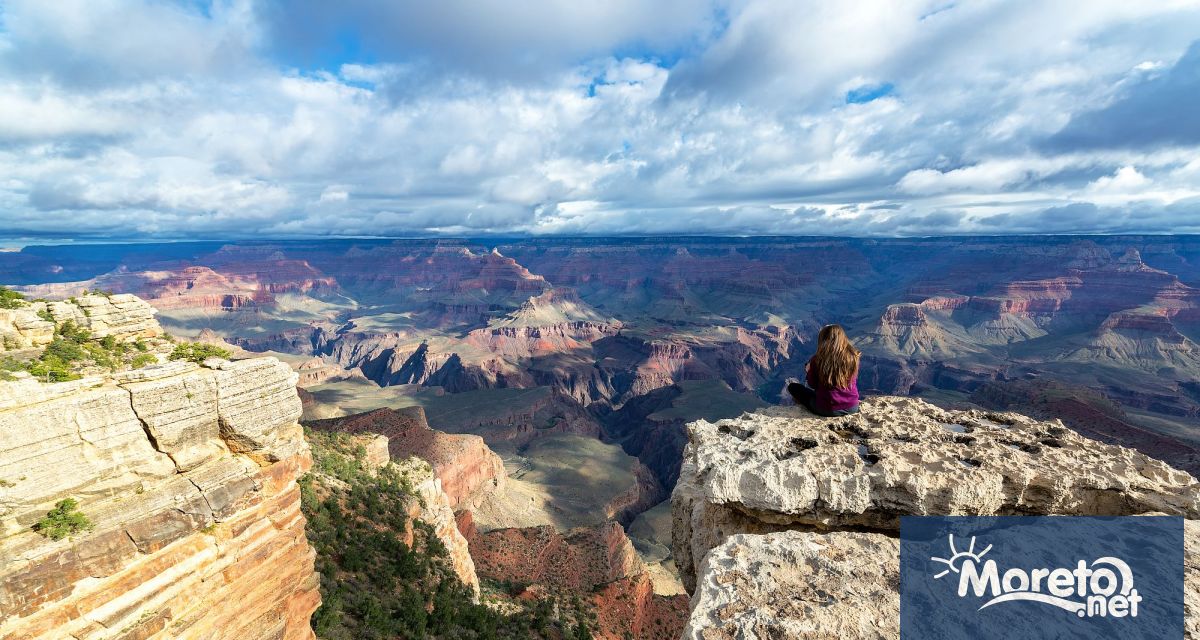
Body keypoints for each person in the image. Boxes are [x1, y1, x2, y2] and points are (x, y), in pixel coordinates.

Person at [787, 324, 861, 416]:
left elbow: (812, 384)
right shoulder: (853, 356)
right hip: (852, 407)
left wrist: (809, 371)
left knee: (793, 387)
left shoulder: (817, 359)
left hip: (827, 409)